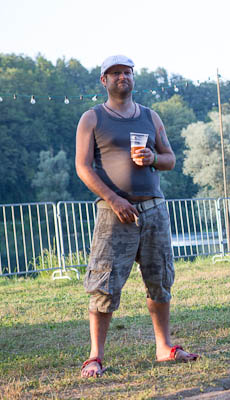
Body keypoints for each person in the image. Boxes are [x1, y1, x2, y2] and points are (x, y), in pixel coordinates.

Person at [75, 55, 198, 378]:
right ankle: (95, 357)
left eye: (126, 73)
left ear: (133, 77)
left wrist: (153, 157)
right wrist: (114, 199)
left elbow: (170, 159)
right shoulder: (92, 118)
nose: (122, 78)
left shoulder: (150, 116)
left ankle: (163, 347)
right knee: (104, 284)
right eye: (115, 73)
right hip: (114, 212)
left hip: (154, 209)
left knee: (160, 281)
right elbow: (83, 167)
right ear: (104, 80)